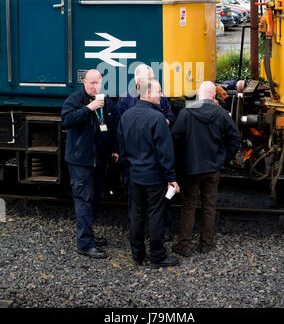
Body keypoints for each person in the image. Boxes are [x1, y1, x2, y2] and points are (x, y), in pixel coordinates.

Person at [171, 81, 241, 257]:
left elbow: (174, 139)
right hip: (213, 169)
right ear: (213, 96)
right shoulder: (222, 114)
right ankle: (206, 244)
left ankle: (184, 245)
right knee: (210, 206)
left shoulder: (186, 113)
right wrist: (224, 159)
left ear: (198, 94)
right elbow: (235, 138)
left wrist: (181, 161)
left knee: (188, 206)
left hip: (191, 169)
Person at [118, 78, 180, 268]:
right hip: (154, 177)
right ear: (147, 93)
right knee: (155, 215)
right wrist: (171, 179)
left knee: (136, 214)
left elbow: (122, 147)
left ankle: (137, 255)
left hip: (134, 175)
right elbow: (165, 152)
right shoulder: (157, 118)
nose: (161, 96)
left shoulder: (126, 116)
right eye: (159, 92)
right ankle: (157, 257)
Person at [61, 69, 119, 259]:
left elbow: (112, 126)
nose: (94, 87)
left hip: (99, 161)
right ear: (84, 82)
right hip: (81, 161)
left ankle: (89, 235)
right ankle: (85, 244)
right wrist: (89, 108)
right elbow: (66, 121)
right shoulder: (74, 100)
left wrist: (115, 148)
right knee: (84, 201)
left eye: (97, 83)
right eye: (91, 83)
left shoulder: (106, 100)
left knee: (95, 199)